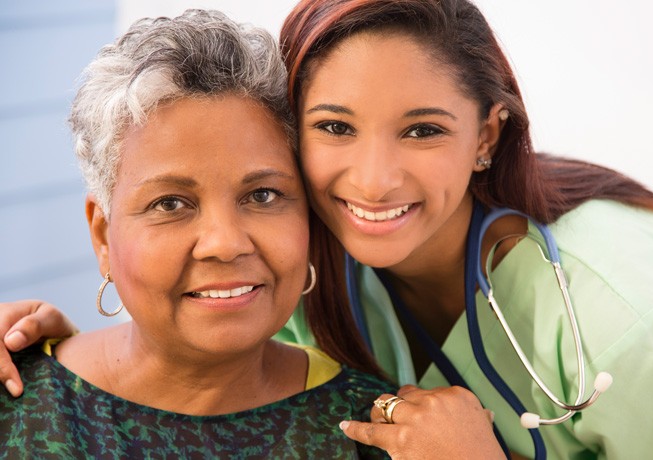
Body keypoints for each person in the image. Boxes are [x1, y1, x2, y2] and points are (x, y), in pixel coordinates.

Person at [2, 0, 653, 458]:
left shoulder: (635, 320)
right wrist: (64, 364)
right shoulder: (315, 266)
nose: (373, 179)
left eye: (422, 130)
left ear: (487, 136)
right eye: (335, 126)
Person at [0, 9, 395, 458]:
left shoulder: (374, 431)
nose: (225, 243)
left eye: (262, 195)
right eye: (170, 204)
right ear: (104, 236)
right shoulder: (16, 405)